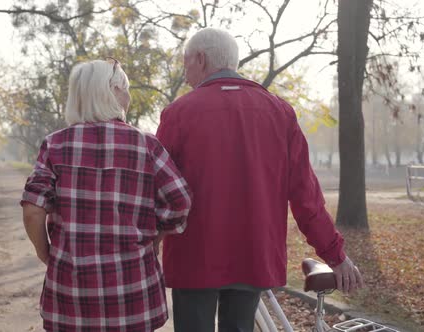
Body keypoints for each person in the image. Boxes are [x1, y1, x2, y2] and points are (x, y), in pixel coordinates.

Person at [156, 28, 364, 332]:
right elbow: (306, 196)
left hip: (194, 256)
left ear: (201, 59)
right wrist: (335, 255)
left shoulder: (178, 114)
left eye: (186, 64)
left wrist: (146, 242)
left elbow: (158, 190)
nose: (186, 75)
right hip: (253, 254)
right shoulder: (280, 112)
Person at [20, 59, 192, 332]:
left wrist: (47, 254)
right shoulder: (146, 145)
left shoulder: (56, 144)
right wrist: (154, 238)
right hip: (133, 294)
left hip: (71, 294)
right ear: (112, 90)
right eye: (125, 88)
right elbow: (179, 200)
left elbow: (32, 209)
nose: (128, 95)